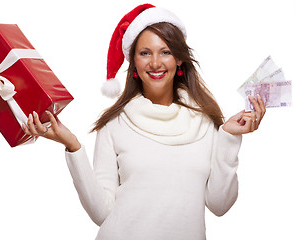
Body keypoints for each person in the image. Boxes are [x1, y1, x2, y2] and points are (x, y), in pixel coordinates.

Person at [22, 4, 266, 240]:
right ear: (134, 63)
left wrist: (230, 137)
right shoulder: (115, 124)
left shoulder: (206, 122)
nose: (156, 63)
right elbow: (101, 212)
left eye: (166, 52)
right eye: (145, 53)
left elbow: (220, 204)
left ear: (179, 59)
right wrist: (72, 145)